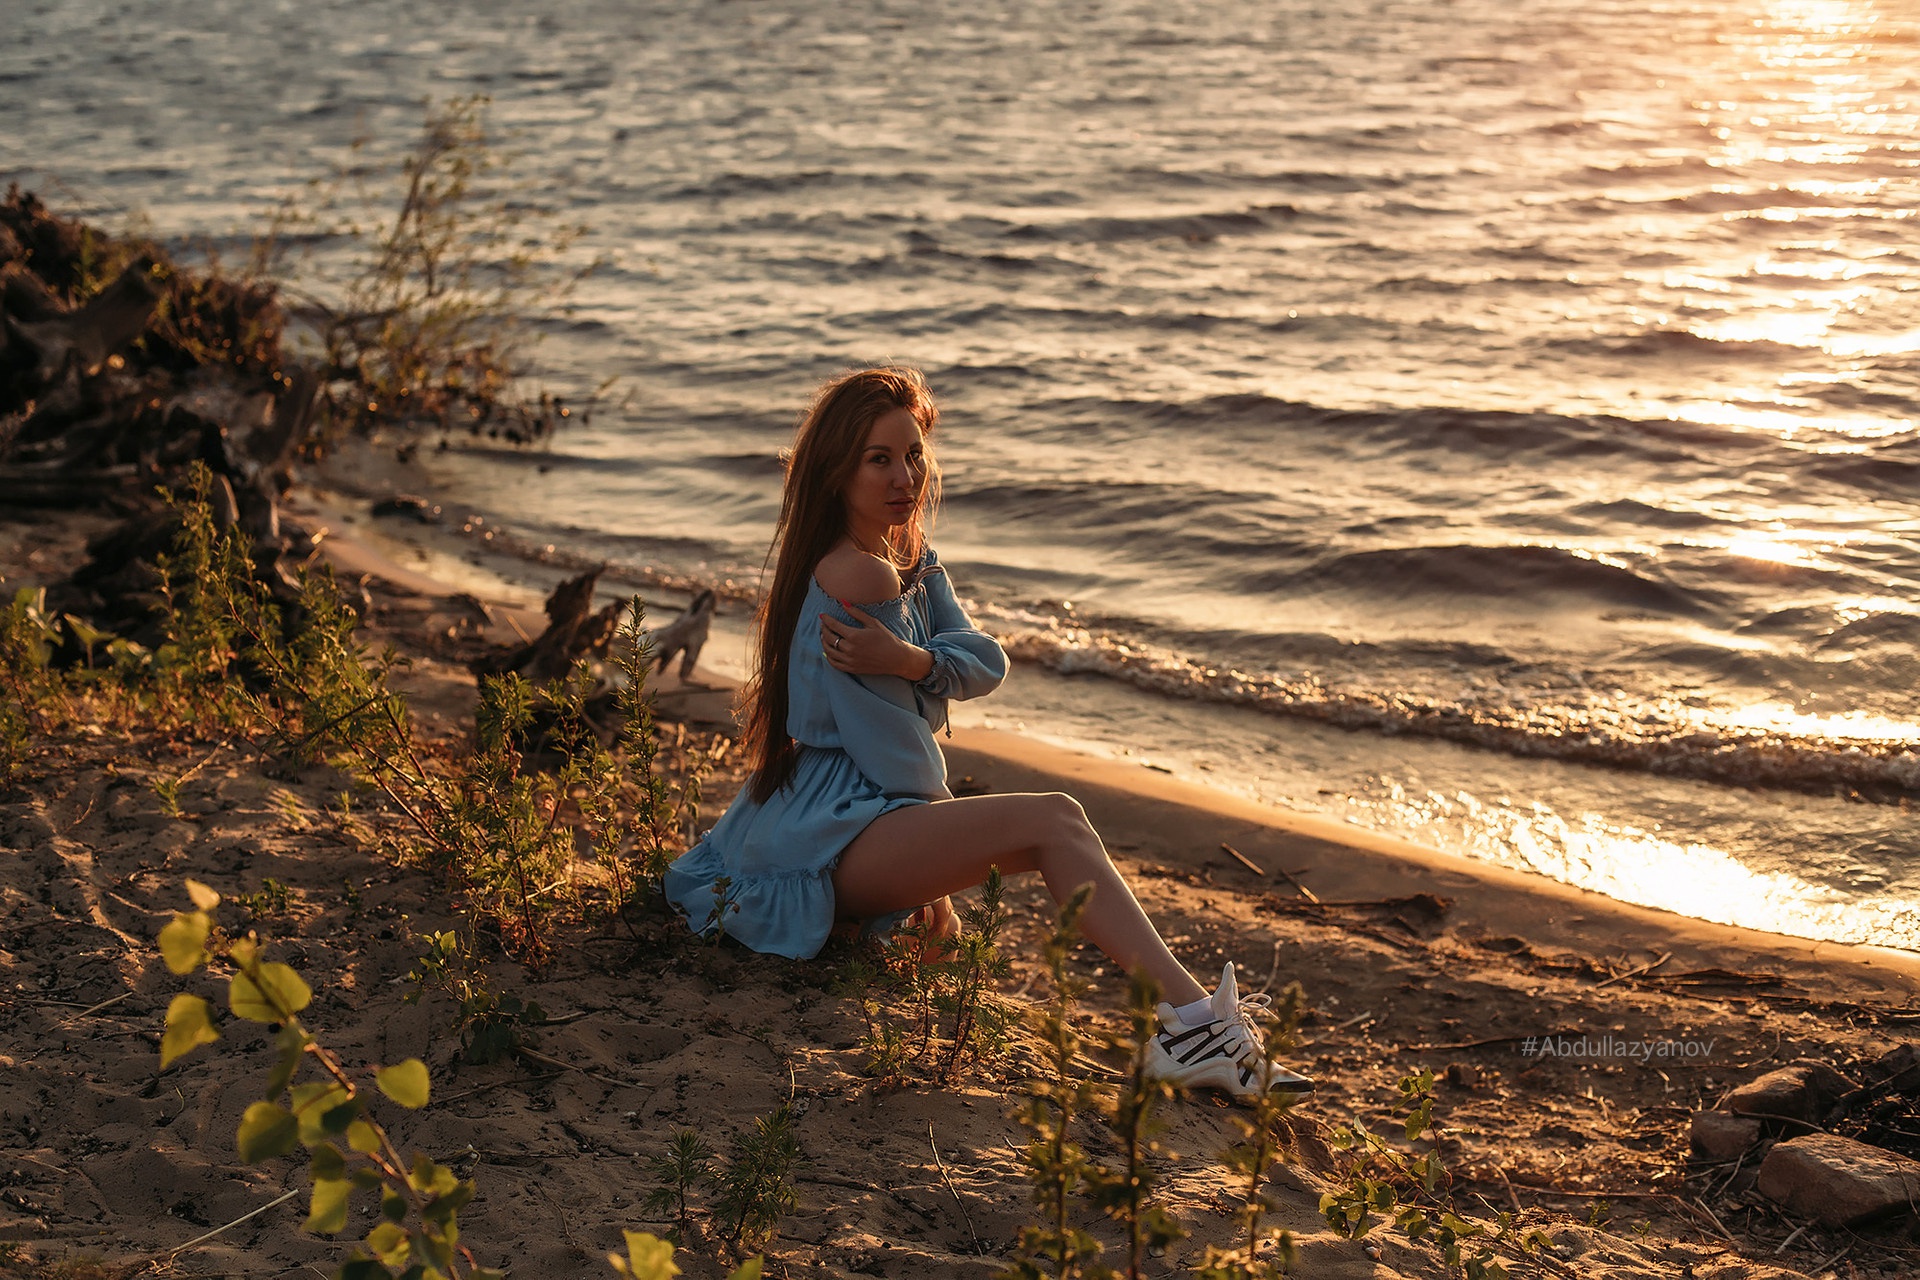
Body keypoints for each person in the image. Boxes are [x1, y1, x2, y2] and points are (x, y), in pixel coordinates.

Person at [663, 366, 1312, 1101]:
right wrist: (931, 864)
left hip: (825, 815)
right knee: (1055, 822)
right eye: (879, 459)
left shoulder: (905, 558)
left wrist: (911, 659)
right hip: (831, 825)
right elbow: (897, 753)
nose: (904, 475)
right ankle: (1200, 1028)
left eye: (913, 454)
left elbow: (984, 659)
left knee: (1051, 825)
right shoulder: (860, 578)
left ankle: (1199, 1028)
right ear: (836, 470)